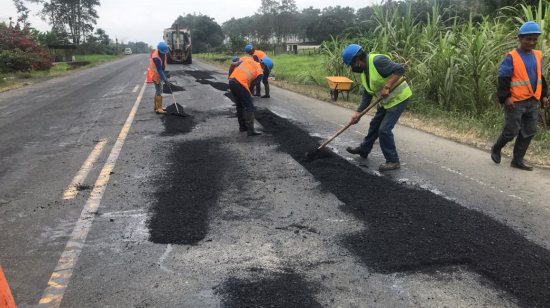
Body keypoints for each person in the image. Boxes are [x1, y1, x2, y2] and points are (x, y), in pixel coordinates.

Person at [341, 44, 412, 172]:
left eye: (351, 65)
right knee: (375, 125)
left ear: (357, 60)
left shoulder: (377, 61)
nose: (352, 68)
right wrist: (357, 113)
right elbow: (367, 96)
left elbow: (400, 69)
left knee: (384, 130)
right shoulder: (365, 72)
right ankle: (364, 150)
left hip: (399, 98)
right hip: (386, 101)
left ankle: (393, 160)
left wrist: (388, 85)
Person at [492, 21, 549, 171]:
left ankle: (517, 160)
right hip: (515, 102)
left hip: (532, 101)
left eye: (535, 39)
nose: (532, 42)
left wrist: (543, 95)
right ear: (520, 38)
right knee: (512, 131)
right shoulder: (511, 57)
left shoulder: (537, 56)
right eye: (528, 39)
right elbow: (503, 79)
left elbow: (540, 77)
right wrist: (505, 97)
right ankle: (496, 148)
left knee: (529, 131)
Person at [228, 57, 274, 136]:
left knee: (240, 106)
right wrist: (249, 92)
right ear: (264, 66)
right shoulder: (260, 73)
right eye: (266, 69)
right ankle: (251, 130)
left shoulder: (247, 60)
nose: (265, 71)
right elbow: (253, 84)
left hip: (232, 81)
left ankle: (242, 127)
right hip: (241, 84)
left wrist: (229, 76)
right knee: (249, 106)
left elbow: (232, 64)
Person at [147, 42, 171, 114]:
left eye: (165, 53)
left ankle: (156, 106)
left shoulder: (162, 53)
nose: (164, 54)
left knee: (158, 90)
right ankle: (159, 109)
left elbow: (162, 66)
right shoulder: (156, 58)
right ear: (159, 50)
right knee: (159, 90)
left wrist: (164, 77)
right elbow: (159, 70)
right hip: (155, 74)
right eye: (163, 53)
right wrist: (166, 80)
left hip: (159, 73)